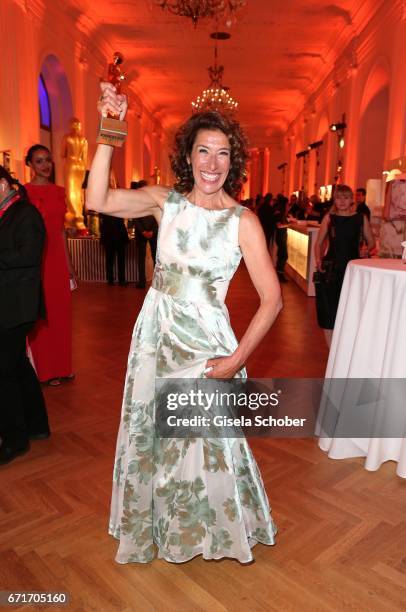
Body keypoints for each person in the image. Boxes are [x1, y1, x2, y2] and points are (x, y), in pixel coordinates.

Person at [86, 82, 282, 564]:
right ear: (189, 156)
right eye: (203, 152)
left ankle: (212, 529)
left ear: (232, 162)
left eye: (222, 154)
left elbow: (273, 300)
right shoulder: (164, 203)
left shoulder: (243, 221)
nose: (212, 164)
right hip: (156, 337)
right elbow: (96, 200)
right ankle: (164, 526)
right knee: (154, 433)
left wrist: (238, 359)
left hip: (207, 343)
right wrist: (110, 131)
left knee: (208, 440)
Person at [0, 165, 50, 465]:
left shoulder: (25, 214)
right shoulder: (5, 214)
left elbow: (28, 256)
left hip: (17, 306)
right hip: (8, 303)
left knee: (3, 372)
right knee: (17, 366)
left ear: (4, 184)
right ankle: (37, 425)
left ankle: (15, 439)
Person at [25, 145, 75, 386]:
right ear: (30, 165)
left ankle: (63, 367)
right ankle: (45, 371)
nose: (45, 165)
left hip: (56, 261)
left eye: (47, 160)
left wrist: (69, 264)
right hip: (36, 260)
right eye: (39, 161)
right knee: (41, 317)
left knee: (60, 315)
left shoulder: (59, 191)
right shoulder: (23, 193)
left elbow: (61, 231)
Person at [314, 184, 374, 347]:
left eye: (345, 197)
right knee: (329, 312)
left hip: (353, 270)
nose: (341, 201)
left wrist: (366, 250)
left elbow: (371, 242)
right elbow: (318, 244)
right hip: (331, 270)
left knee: (351, 311)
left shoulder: (360, 218)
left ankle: (346, 349)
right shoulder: (329, 218)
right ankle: (331, 352)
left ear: (351, 200)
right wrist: (318, 260)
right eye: (338, 197)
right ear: (334, 199)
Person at [130, 180, 158, 289]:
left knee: (156, 257)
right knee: (140, 258)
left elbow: (158, 216)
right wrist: (143, 231)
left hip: (152, 232)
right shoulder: (135, 202)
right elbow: (135, 217)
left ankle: (156, 282)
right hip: (141, 232)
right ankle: (141, 281)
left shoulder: (154, 199)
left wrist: (153, 231)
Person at [99, 212, 129, 285]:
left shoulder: (105, 208)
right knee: (119, 260)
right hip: (118, 235)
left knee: (110, 260)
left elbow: (102, 221)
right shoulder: (118, 206)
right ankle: (121, 280)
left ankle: (110, 280)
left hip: (109, 235)